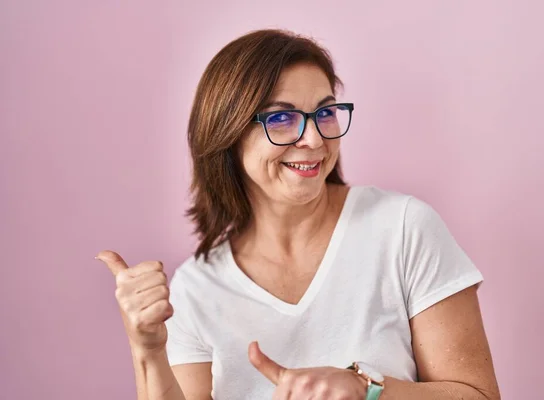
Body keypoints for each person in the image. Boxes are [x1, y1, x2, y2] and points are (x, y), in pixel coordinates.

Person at [97, 29, 501, 400]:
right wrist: (147, 349)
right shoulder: (196, 290)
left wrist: (365, 389)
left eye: (325, 113)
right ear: (228, 134)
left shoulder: (402, 228)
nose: (314, 139)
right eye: (281, 118)